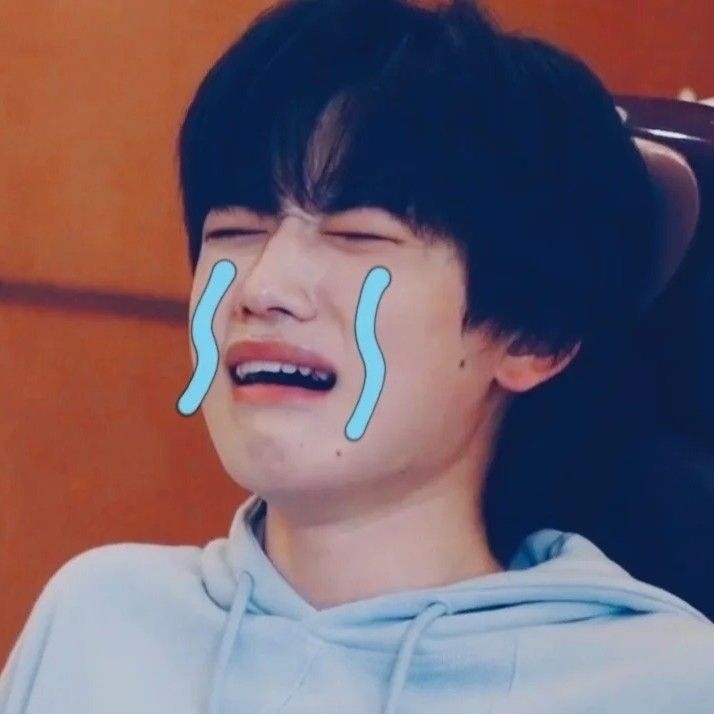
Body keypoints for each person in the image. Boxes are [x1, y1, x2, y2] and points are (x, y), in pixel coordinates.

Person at [1, 0, 712, 712]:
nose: (264, 288)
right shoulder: (98, 621)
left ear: (534, 335)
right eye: (236, 229)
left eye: (358, 235)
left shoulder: (660, 685)